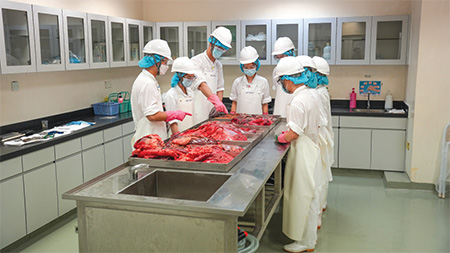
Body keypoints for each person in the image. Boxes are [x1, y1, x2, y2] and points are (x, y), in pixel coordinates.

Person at [274, 57, 322, 253]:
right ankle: (309, 240)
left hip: (303, 151)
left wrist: (280, 137)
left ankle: (305, 242)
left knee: (302, 196)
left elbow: (293, 133)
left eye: (281, 81)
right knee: (310, 196)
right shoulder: (311, 95)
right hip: (312, 147)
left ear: (287, 80)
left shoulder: (297, 102)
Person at [130, 39, 192, 146]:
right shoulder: (147, 83)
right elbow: (152, 116)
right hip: (148, 140)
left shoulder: (148, 79)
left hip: (153, 138)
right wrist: (173, 114)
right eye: (165, 62)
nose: (166, 66)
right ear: (155, 60)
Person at [191, 27, 231, 123]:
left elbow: (219, 88)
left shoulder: (218, 65)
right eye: (219, 48)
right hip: (198, 110)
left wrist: (218, 105)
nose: (220, 51)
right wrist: (216, 101)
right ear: (210, 43)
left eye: (223, 49)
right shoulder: (195, 61)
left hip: (211, 113)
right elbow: (201, 84)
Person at [313, 56, 334, 215]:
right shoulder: (321, 91)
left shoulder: (318, 94)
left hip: (319, 137)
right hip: (324, 136)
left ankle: (318, 214)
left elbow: (319, 121)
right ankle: (322, 205)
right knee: (322, 175)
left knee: (318, 178)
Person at [230, 46, 271, 114]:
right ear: (242, 67)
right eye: (246, 67)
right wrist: (231, 115)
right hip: (240, 121)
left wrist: (265, 118)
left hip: (257, 121)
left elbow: (265, 104)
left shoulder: (263, 82)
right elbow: (234, 102)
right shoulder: (237, 82)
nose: (249, 70)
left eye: (251, 67)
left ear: (257, 65)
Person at [164, 57, 199, 135]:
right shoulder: (171, 94)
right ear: (180, 76)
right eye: (188, 77)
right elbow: (172, 122)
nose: (191, 79)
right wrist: (179, 139)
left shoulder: (190, 92)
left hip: (191, 133)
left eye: (192, 77)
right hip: (178, 135)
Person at [271, 37, 296, 117]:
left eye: (282, 56)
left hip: (295, 112)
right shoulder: (276, 70)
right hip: (279, 111)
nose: (280, 60)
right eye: (277, 57)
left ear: (291, 53)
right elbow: (278, 90)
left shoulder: (299, 70)